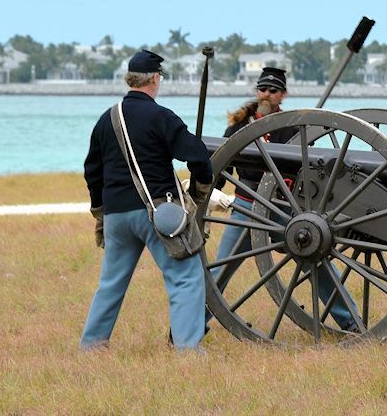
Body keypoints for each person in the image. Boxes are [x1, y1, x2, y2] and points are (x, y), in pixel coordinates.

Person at [81, 49, 213, 350]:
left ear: (131, 79)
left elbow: (92, 171)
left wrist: (101, 212)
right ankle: (188, 350)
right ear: (155, 79)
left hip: (116, 216)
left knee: (111, 284)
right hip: (156, 212)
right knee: (185, 278)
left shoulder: (107, 119)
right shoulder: (160, 116)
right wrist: (198, 193)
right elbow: (198, 156)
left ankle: (91, 347)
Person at [210, 67, 358, 332]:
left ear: (283, 95)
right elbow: (222, 163)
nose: (267, 94)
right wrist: (210, 190)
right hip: (247, 204)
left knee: (315, 261)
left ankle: (350, 322)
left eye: (273, 90)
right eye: (263, 89)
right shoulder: (238, 126)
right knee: (220, 270)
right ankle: (190, 326)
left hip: (282, 207)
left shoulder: (290, 127)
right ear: (256, 91)